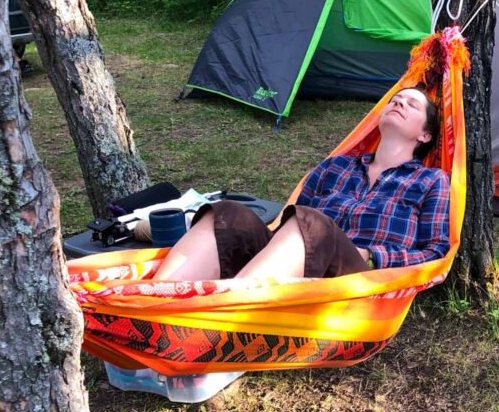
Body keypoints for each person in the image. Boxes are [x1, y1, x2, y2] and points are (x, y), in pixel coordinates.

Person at [152, 87, 449, 282]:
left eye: (411, 105)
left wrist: (371, 255)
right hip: (293, 266)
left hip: (352, 278)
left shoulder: (430, 180)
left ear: (425, 135)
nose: (398, 102)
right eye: (395, 99)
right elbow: (290, 224)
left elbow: (436, 253)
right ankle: (153, 305)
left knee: (313, 224)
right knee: (227, 213)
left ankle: (225, 314)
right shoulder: (336, 166)